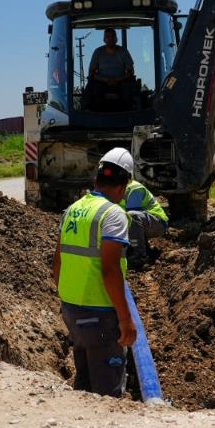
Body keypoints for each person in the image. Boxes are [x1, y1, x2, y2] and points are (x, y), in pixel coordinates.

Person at [51, 147, 138, 397]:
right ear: (123, 187)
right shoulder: (113, 215)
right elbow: (110, 270)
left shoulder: (72, 211)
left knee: (85, 379)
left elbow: (57, 264)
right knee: (106, 391)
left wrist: (69, 301)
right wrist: (125, 319)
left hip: (71, 308)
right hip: (99, 313)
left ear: (96, 180)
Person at [84, 28, 137, 111]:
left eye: (112, 36)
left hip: (121, 81)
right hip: (101, 82)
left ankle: (129, 112)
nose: (110, 38)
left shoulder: (123, 51)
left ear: (116, 39)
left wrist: (116, 80)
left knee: (129, 89)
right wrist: (106, 80)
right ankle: (92, 112)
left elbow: (130, 71)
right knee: (93, 89)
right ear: (104, 39)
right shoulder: (98, 52)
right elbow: (92, 73)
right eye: (108, 36)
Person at [121, 178, 168, 269]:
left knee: (131, 216)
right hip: (144, 222)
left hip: (157, 223)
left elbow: (132, 218)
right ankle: (141, 249)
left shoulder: (134, 188)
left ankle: (139, 257)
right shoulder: (114, 192)